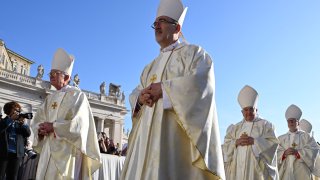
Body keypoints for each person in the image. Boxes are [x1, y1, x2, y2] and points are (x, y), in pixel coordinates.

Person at [121, 0, 225, 179]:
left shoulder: (194, 54)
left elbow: (201, 85)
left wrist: (165, 90)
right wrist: (140, 97)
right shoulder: (149, 67)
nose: (157, 26)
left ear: (177, 28)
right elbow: (135, 93)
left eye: (162, 21)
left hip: (174, 145)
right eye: (155, 22)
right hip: (147, 140)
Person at [31, 48, 101, 179]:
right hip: (48, 149)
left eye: (55, 73)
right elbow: (37, 120)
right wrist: (39, 130)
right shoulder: (49, 98)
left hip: (67, 151)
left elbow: (80, 125)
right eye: (50, 73)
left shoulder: (77, 96)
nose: (51, 75)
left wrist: (54, 127)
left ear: (67, 77)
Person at [223, 85, 279, 180]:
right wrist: (236, 142)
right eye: (246, 110)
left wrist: (255, 142)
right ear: (242, 112)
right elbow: (226, 146)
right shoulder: (235, 128)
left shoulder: (266, 125)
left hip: (256, 170)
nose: (248, 112)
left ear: (256, 110)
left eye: (251, 109)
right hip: (238, 169)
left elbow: (273, 143)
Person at [277, 104, 319, 180]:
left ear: (298, 123)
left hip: (302, 172)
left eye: (293, 121)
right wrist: (284, 153)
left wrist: (298, 153)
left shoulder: (307, 137)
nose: (291, 123)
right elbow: (275, 153)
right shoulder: (281, 139)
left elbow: (313, 150)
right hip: (286, 172)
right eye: (289, 121)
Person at [0, 101, 31, 180]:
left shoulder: (20, 124)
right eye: (15, 110)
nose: (18, 113)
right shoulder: (2, 121)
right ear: (9, 111)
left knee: (13, 177)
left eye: (19, 111)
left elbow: (28, 133)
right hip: (3, 153)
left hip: (16, 154)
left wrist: (23, 123)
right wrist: (10, 120)